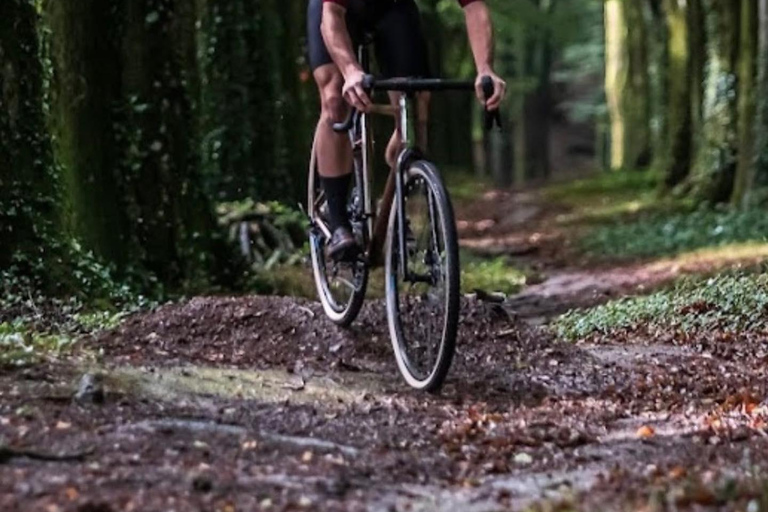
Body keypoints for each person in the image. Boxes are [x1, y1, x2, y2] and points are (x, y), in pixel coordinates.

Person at [308, 0, 506, 260]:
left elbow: (475, 7)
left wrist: (485, 69)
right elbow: (331, 15)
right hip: (334, 10)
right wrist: (351, 71)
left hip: (393, 8)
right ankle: (338, 222)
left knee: (414, 108)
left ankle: (396, 206)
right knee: (334, 97)